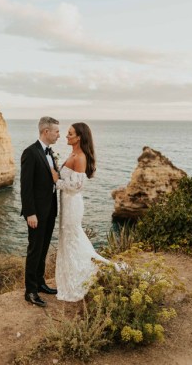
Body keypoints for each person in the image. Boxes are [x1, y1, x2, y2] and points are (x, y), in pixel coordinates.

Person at [51, 122, 113, 302]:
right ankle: (71, 275)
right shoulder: (73, 153)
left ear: (79, 137)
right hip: (67, 203)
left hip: (72, 204)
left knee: (72, 238)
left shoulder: (80, 157)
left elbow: (77, 186)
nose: (66, 136)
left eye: (70, 134)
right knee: (68, 239)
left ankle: (81, 277)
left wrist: (56, 180)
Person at [20, 116, 61, 307]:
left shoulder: (50, 152)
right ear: (46, 131)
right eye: (56, 131)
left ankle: (40, 283)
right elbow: (25, 186)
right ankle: (30, 291)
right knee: (35, 250)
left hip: (50, 210)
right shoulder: (30, 152)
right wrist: (30, 213)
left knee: (43, 248)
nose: (58, 135)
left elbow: (51, 179)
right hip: (36, 213)